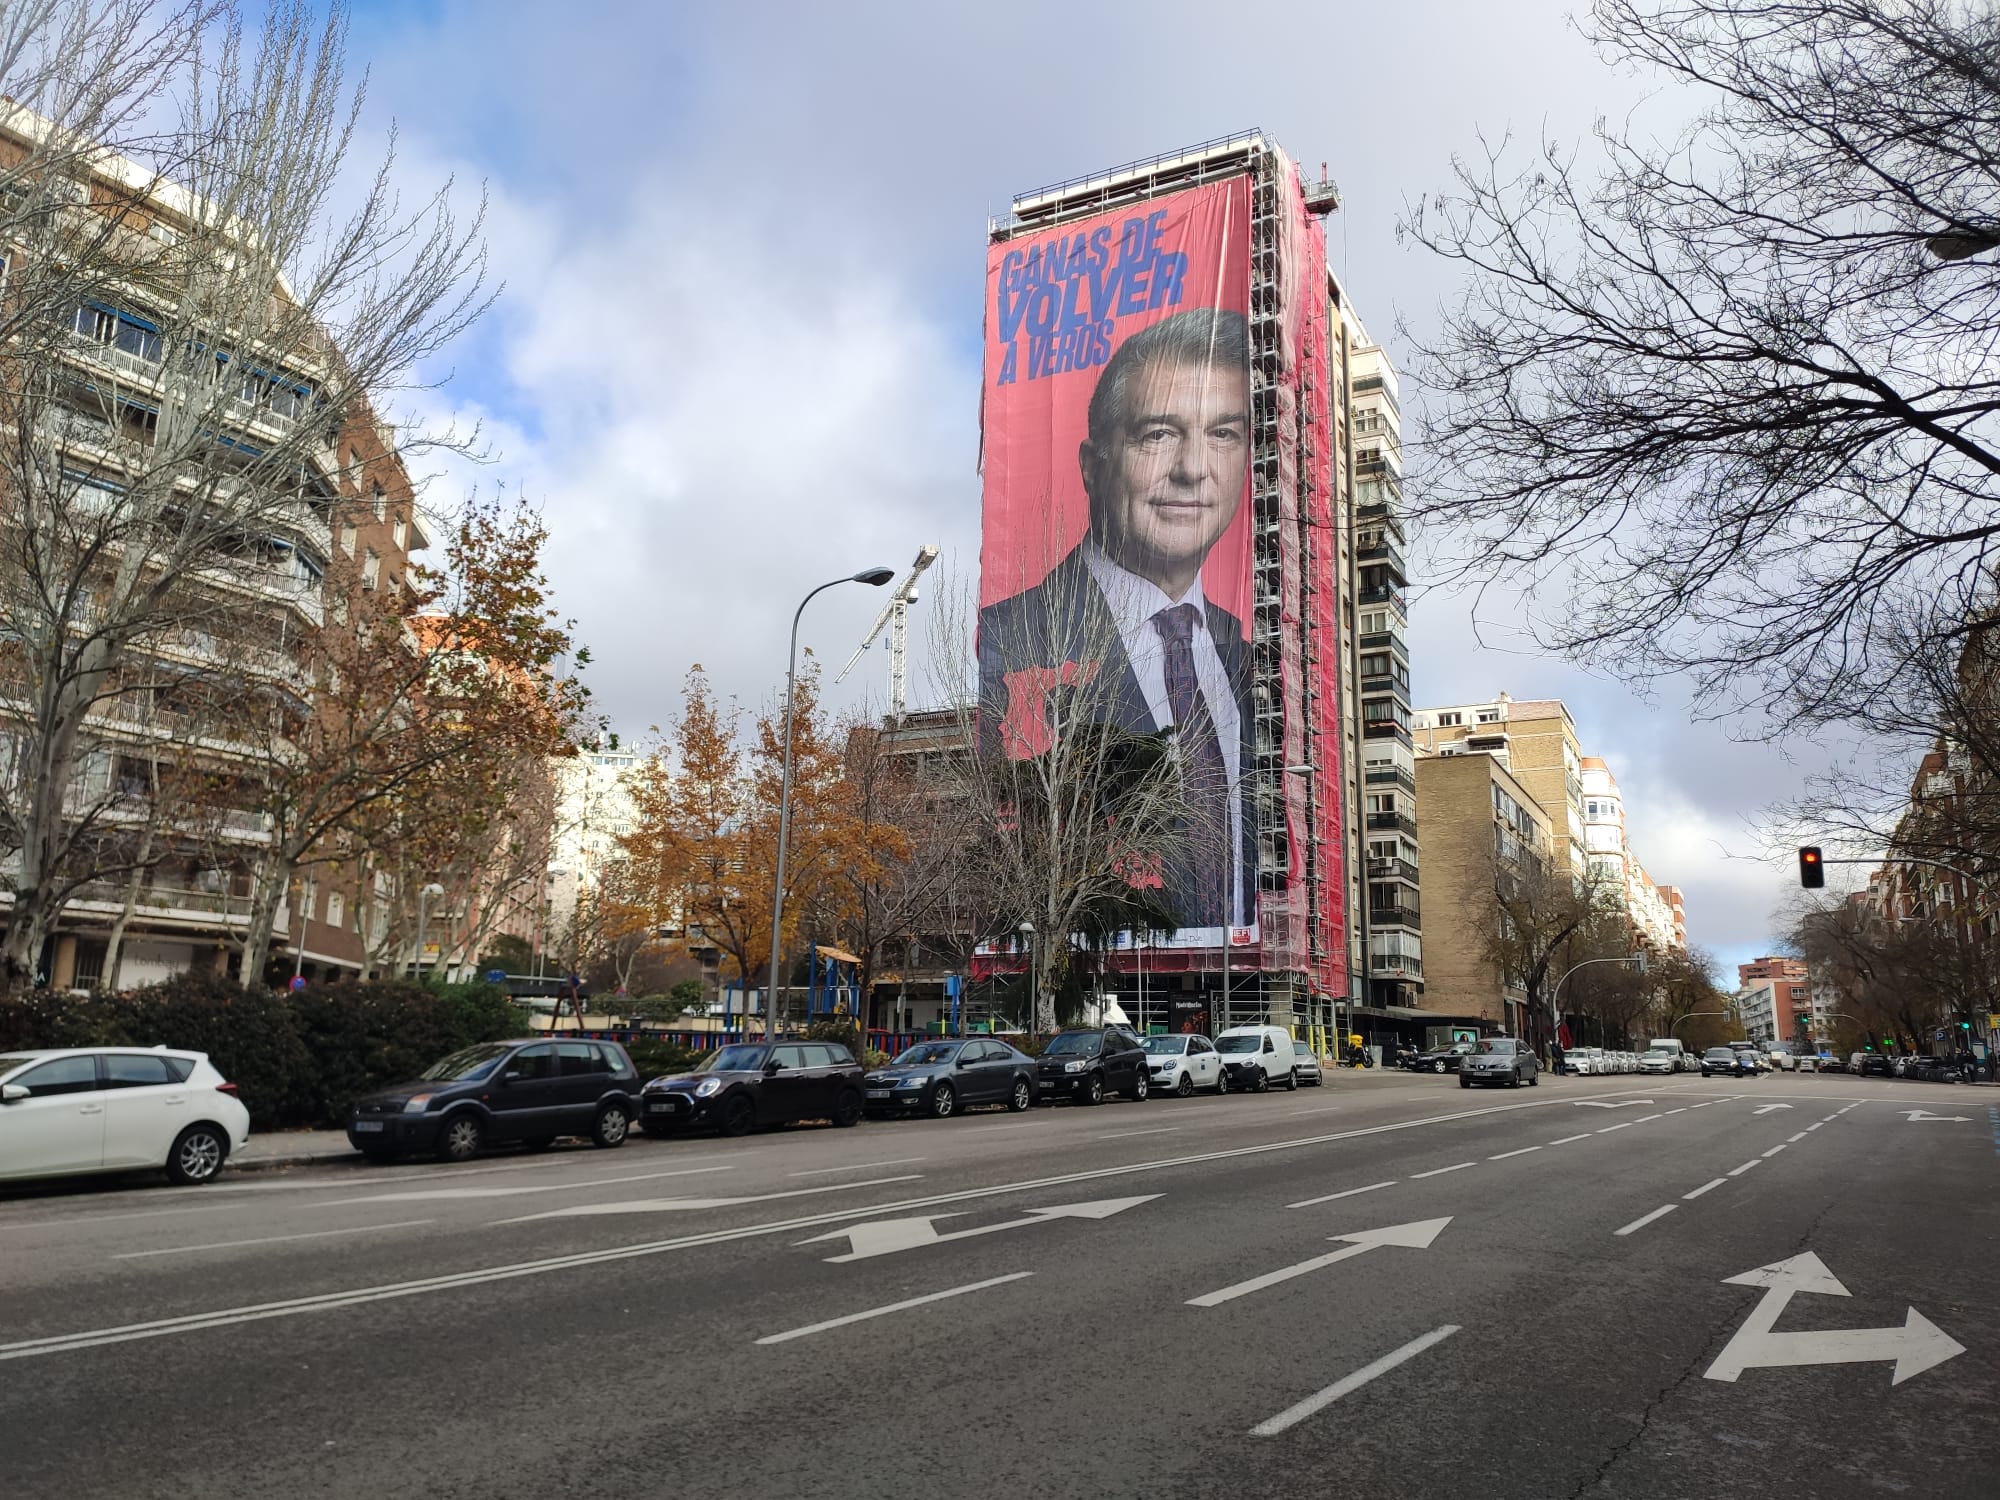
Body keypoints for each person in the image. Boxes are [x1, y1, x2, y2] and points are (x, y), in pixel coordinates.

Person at [979, 307, 1253, 932]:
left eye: (1223, 434)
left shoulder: (1247, 653)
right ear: (1092, 465)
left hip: (1244, 968)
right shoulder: (1012, 639)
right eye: (1158, 434)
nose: (1192, 469)